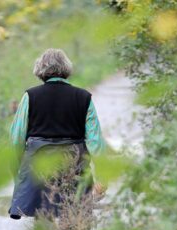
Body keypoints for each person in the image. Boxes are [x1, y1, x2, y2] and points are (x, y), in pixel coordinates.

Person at [9, 48, 106, 219]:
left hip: (38, 165)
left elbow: (16, 139)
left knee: (43, 220)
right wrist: (102, 178)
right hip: (74, 164)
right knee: (74, 217)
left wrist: (19, 173)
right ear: (66, 69)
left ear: (41, 70)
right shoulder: (84, 98)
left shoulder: (30, 96)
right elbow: (95, 142)